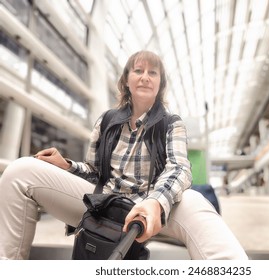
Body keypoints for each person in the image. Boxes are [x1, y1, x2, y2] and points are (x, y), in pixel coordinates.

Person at [0, 50, 248, 260]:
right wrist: (66, 165)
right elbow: (94, 172)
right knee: (20, 170)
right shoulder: (107, 121)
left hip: (149, 210)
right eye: (138, 71)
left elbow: (179, 169)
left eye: (153, 73)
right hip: (104, 204)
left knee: (195, 201)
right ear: (126, 80)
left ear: (160, 84)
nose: (145, 77)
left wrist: (154, 202)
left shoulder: (171, 124)